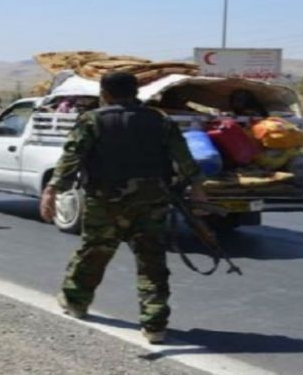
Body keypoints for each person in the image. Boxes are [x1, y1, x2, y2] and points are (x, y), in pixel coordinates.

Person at [40, 72, 206, 345]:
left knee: (93, 253)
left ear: (104, 93)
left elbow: (72, 157)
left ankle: (76, 302)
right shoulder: (159, 120)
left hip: (105, 202)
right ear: (136, 92)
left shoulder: (92, 120)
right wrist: (198, 189)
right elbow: (183, 158)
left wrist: (52, 190)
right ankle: (154, 325)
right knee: (152, 261)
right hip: (151, 202)